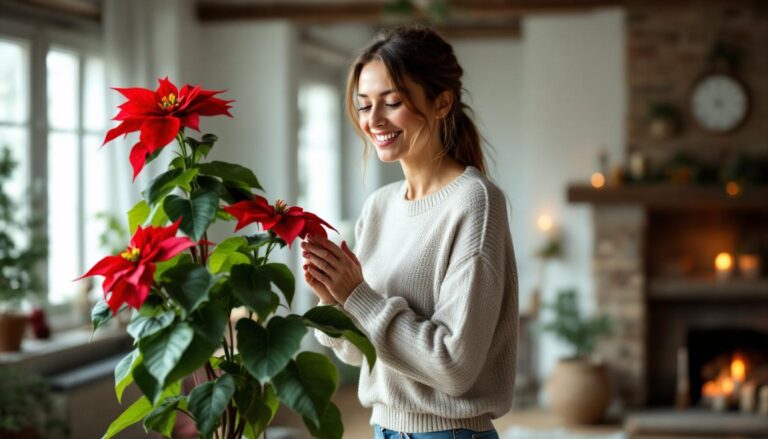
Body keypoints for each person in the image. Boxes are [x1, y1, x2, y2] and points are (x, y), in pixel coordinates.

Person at [300, 25, 518, 439]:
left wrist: (357, 297)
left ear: (441, 103)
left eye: (392, 102)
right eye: (364, 105)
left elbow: (454, 367)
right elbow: (364, 355)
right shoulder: (379, 206)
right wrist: (335, 303)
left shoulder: (475, 202)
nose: (373, 120)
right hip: (383, 428)